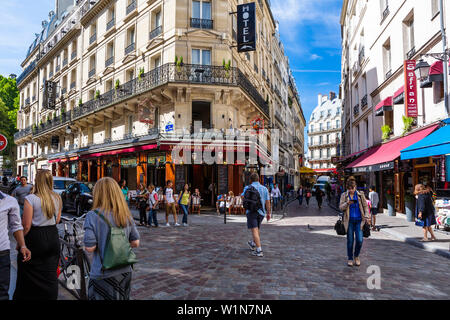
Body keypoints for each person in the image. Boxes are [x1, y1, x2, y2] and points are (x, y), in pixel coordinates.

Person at [83, 177, 140, 300]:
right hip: (125, 271)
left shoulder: (93, 216)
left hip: (103, 273)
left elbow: (90, 247)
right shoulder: (125, 213)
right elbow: (135, 242)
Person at [13, 170, 62, 300]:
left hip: (36, 238)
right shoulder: (57, 197)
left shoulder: (31, 199)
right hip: (52, 236)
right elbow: (57, 220)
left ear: (37, 181)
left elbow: (27, 225)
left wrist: (20, 243)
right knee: (50, 274)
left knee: (28, 273)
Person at [0, 191, 31, 300]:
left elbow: (16, 226)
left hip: (2, 253)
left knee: (2, 293)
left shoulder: (9, 201)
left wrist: (23, 245)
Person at [339, 179, 370, 267]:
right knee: (350, 241)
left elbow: (365, 206)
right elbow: (341, 207)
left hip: (359, 221)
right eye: (349, 189)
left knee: (360, 240)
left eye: (352, 188)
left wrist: (367, 216)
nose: (351, 190)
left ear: (355, 187)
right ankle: (350, 258)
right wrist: (347, 203)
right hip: (349, 221)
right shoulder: (344, 195)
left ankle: (356, 256)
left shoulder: (360, 195)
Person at [242, 172, 271, 257]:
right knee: (257, 229)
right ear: (259, 179)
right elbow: (267, 202)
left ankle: (259, 250)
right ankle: (253, 243)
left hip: (251, 212)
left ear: (250, 180)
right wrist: (268, 213)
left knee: (254, 230)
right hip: (261, 212)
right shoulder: (264, 189)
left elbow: (243, 197)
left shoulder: (247, 187)